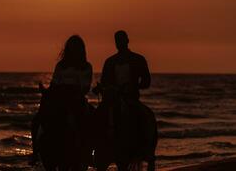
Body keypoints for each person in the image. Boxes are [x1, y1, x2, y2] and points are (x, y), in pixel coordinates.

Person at [31, 35, 93, 171]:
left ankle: (88, 153)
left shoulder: (86, 67)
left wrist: (71, 90)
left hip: (77, 100)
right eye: (71, 48)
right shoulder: (61, 65)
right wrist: (47, 90)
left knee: (91, 121)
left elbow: (85, 88)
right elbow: (54, 83)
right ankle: (35, 152)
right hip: (60, 99)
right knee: (37, 120)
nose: (73, 50)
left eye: (76, 48)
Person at [100, 30, 153, 171]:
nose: (120, 43)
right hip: (113, 100)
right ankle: (97, 150)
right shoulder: (110, 62)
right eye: (117, 40)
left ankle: (146, 149)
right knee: (98, 117)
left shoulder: (138, 59)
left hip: (131, 98)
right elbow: (104, 82)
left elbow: (147, 81)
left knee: (144, 117)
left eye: (122, 40)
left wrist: (134, 86)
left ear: (127, 41)